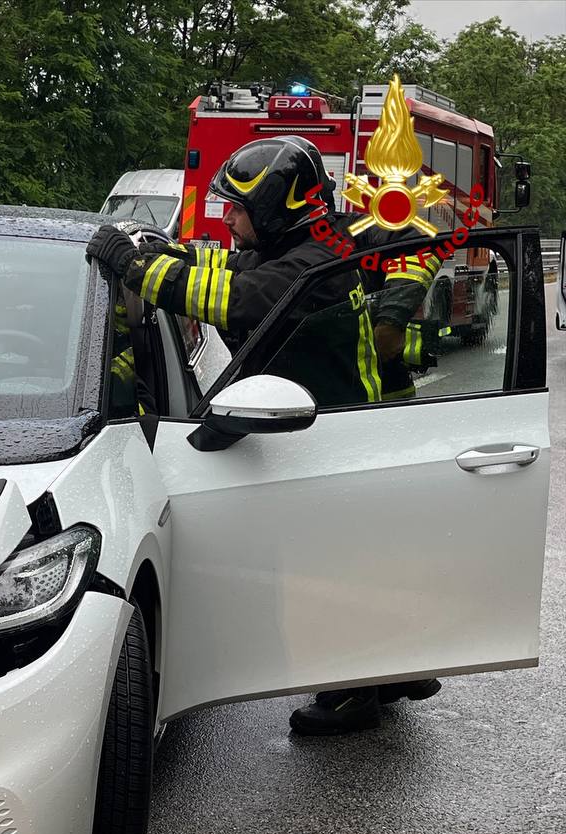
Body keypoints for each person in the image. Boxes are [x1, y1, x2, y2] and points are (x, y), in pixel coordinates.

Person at [87, 134, 441, 735]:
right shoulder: (305, 246)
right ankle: (397, 668)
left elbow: (235, 297)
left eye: (239, 208)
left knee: (331, 570)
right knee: (365, 559)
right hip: (339, 426)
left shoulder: (313, 263)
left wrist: (136, 267)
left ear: (277, 209)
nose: (228, 218)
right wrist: (169, 253)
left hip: (337, 435)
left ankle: (353, 690)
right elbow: (229, 267)